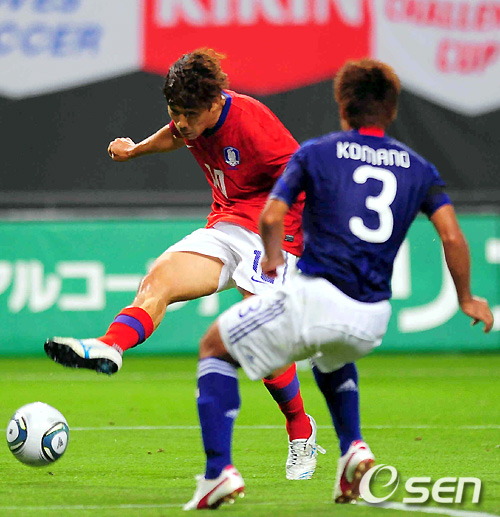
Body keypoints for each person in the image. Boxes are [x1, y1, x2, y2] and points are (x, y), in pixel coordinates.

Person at [182, 57, 494, 510]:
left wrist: (272, 257)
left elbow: (271, 215)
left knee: (214, 347)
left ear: (342, 106)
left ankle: (217, 474)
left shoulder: (318, 153)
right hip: (372, 317)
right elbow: (451, 236)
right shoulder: (419, 168)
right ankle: (353, 448)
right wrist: (466, 298)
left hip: (316, 297)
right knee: (331, 356)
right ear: (391, 110)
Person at [44, 48, 325, 480]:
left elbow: (302, 178)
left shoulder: (252, 123)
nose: (181, 121)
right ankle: (111, 345)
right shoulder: (190, 120)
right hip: (226, 224)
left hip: (274, 230)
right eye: (174, 112)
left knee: (258, 337)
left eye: (189, 114)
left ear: (215, 103)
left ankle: (300, 428)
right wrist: (137, 150)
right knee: (159, 279)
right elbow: (178, 136)